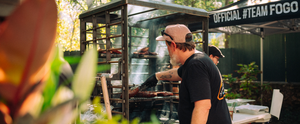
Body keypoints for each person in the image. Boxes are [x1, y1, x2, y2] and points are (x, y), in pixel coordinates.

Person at [130, 24, 231, 124]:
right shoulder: (197, 59)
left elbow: (203, 107)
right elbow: (179, 73)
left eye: (167, 46)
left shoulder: (195, 65)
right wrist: (157, 76)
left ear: (173, 45)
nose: (167, 51)